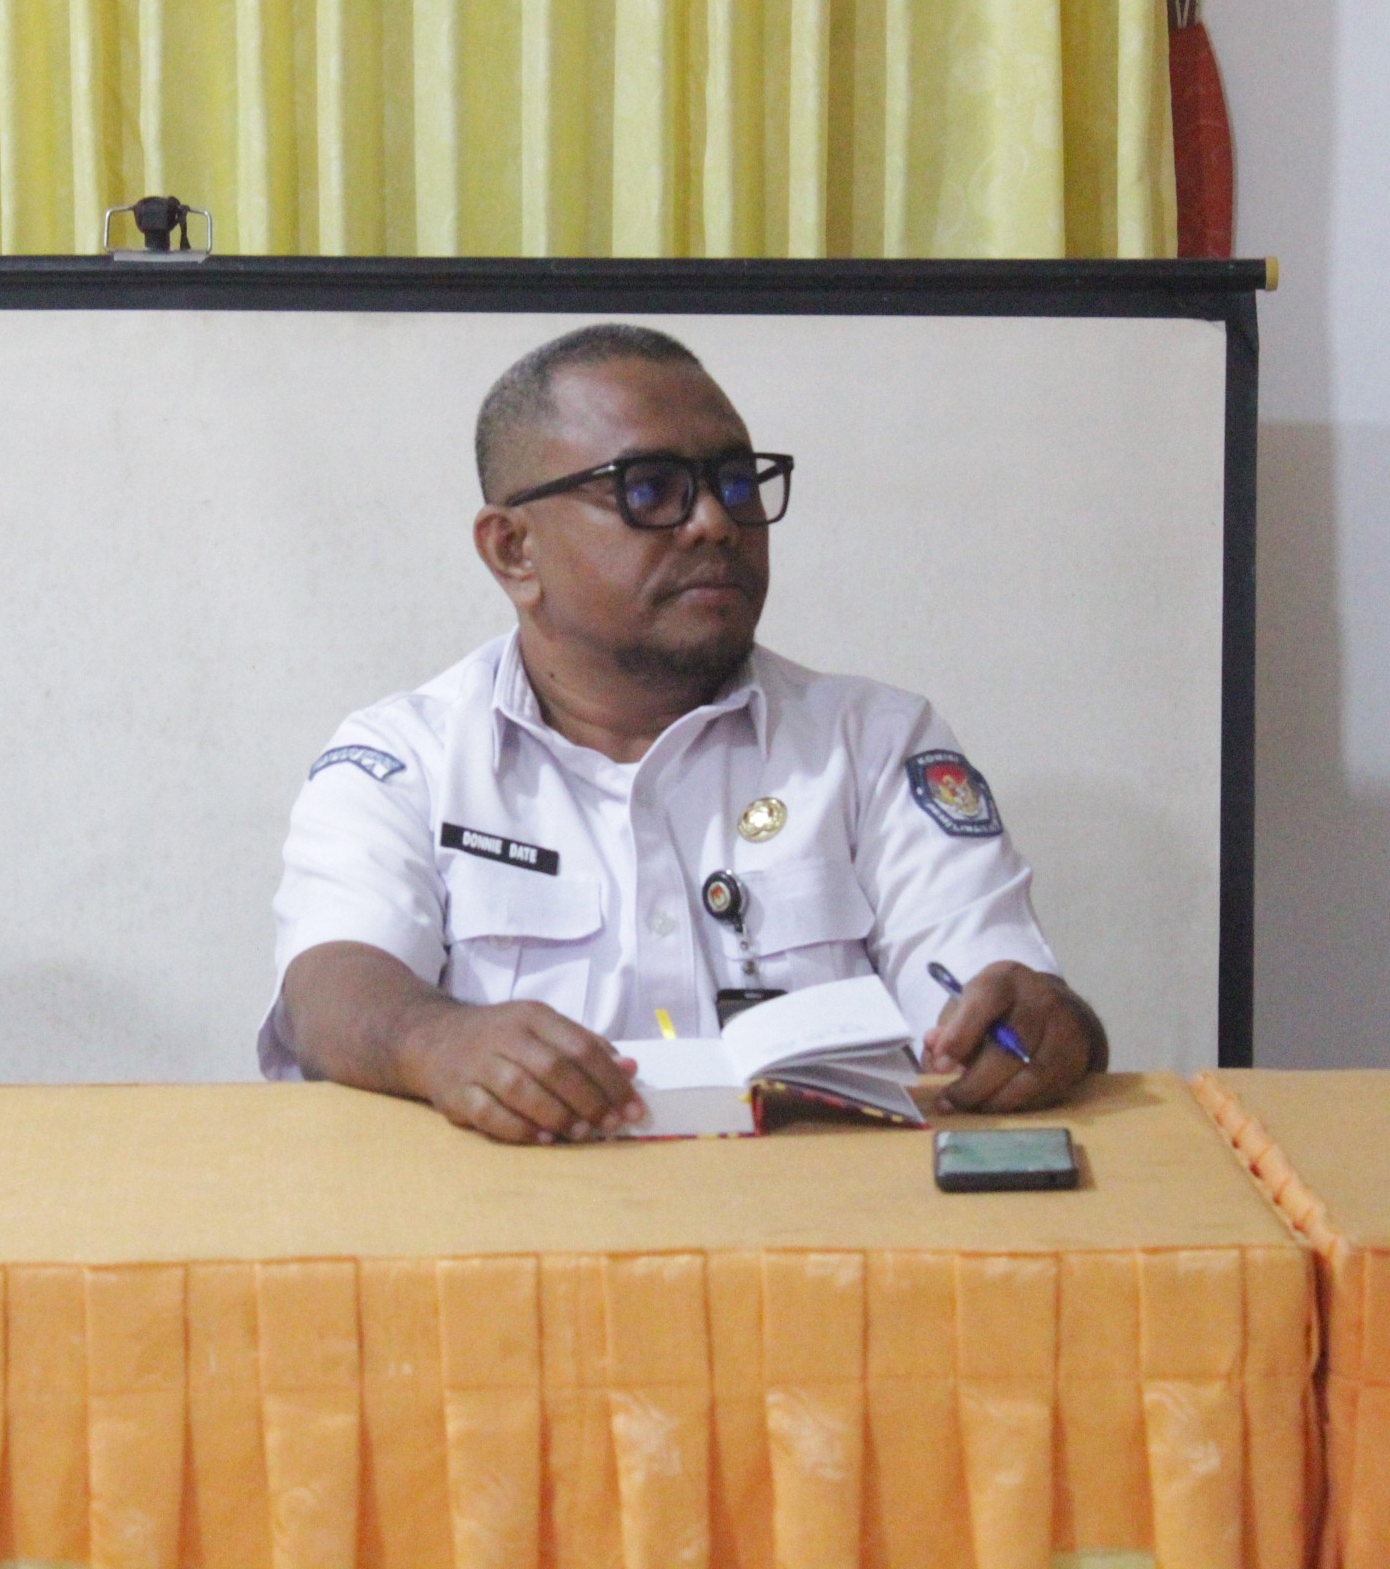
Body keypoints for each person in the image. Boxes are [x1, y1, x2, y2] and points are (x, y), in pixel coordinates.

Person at [265, 325, 1107, 1143]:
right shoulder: (405, 761)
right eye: (651, 489)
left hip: (825, 1224)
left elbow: (992, 989)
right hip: (518, 1222)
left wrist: (1041, 1027)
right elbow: (330, 991)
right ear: (514, 549)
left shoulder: (874, 745)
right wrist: (439, 1041)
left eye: (736, 483)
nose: (715, 522)